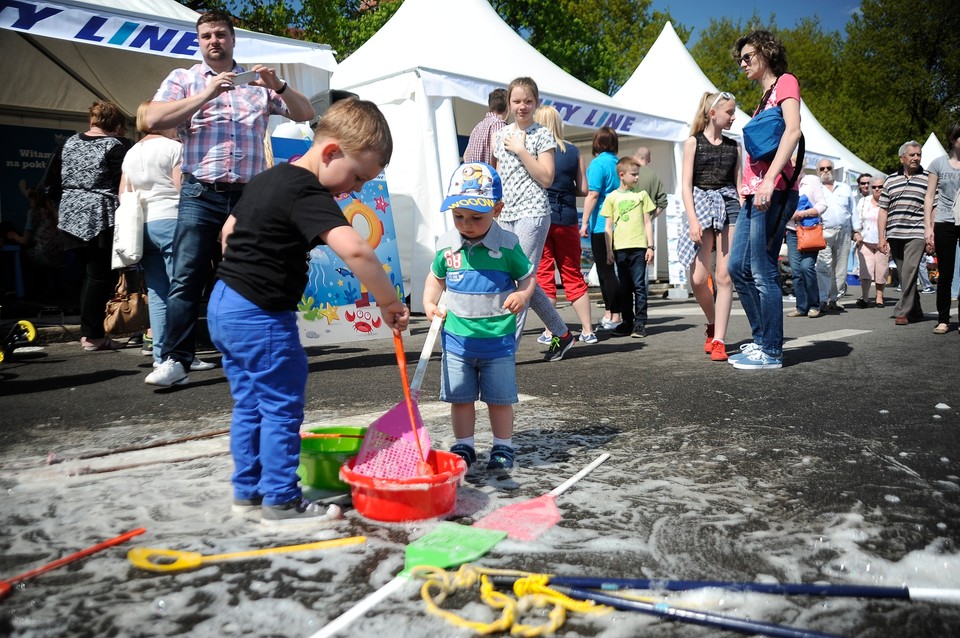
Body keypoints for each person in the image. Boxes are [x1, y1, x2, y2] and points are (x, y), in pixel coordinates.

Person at [208, 98, 409, 525]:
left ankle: (249, 492)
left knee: (250, 404)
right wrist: (390, 302)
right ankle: (281, 500)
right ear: (332, 152)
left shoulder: (268, 179)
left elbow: (228, 232)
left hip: (225, 303)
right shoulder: (306, 189)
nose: (354, 189)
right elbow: (356, 249)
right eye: (357, 176)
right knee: (282, 407)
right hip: (262, 314)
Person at [144, 10, 315, 387]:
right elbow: (151, 120)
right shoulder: (184, 79)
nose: (213, 41)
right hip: (199, 192)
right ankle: (175, 359)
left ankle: (250, 354)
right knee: (186, 277)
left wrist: (279, 86)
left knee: (247, 276)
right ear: (199, 42)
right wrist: (206, 94)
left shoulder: (257, 82)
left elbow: (307, 114)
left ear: (233, 39)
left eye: (220, 34)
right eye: (206, 36)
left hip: (248, 198)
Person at [423, 162, 534, 475]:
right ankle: (465, 445)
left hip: (497, 341)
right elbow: (436, 277)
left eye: (476, 217)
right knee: (461, 398)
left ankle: (503, 445)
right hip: (457, 340)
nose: (466, 224)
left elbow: (527, 278)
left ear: (497, 209)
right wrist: (429, 302)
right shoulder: (447, 244)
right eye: (458, 216)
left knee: (500, 400)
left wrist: (523, 295)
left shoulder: (508, 244)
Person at [727, 30, 801, 370]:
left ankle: (771, 350)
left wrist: (770, 180)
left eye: (747, 56)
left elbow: (792, 131)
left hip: (772, 190)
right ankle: (761, 339)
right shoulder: (762, 97)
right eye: (740, 58)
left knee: (762, 269)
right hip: (752, 193)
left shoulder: (786, 82)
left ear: (766, 53)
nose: (742, 63)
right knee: (736, 268)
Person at [121, 102, 215, 370]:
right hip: (173, 221)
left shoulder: (132, 152)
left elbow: (123, 193)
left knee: (158, 291)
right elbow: (181, 188)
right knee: (183, 289)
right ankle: (183, 354)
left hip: (143, 226)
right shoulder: (174, 148)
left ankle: (162, 355)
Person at [492, 76, 575, 362]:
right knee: (521, 279)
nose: (522, 106)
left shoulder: (542, 135)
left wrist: (521, 150)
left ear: (536, 103)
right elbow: (499, 174)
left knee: (520, 279)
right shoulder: (499, 134)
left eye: (528, 101)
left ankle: (506, 352)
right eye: (517, 101)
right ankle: (562, 334)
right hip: (506, 213)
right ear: (509, 103)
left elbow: (547, 178)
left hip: (534, 212)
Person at [48, 100, 133, 352]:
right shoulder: (115, 147)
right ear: (116, 125)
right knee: (99, 276)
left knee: (83, 274)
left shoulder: (67, 143)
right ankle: (92, 336)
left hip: (69, 214)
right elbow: (124, 186)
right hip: (99, 216)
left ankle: (90, 331)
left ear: (91, 121)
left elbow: (50, 183)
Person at [678, 90, 742, 361]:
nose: (733, 116)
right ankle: (713, 322)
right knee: (697, 278)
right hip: (701, 207)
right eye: (729, 112)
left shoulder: (735, 146)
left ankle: (719, 340)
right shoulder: (693, 143)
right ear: (713, 113)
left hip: (729, 206)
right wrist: (692, 219)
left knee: (724, 276)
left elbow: (739, 186)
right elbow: (686, 185)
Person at [532, 105, 596, 345]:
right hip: (567, 217)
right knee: (573, 274)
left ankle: (550, 332)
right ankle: (588, 330)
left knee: (544, 275)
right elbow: (583, 188)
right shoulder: (572, 150)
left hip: (540, 217)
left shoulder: (535, 149)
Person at [602, 157, 656, 338]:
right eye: (634, 174)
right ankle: (627, 322)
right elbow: (608, 227)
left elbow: (648, 222)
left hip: (639, 247)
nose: (637, 178)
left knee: (639, 286)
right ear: (622, 175)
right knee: (624, 287)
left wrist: (650, 246)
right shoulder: (612, 197)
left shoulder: (641, 195)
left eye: (637, 174)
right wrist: (609, 250)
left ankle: (640, 323)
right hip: (620, 249)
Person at [878, 141, 928, 326]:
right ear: (902, 158)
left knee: (909, 271)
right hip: (895, 233)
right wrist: (882, 237)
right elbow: (883, 210)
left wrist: (931, 233)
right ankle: (916, 310)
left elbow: (934, 207)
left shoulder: (928, 178)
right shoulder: (890, 180)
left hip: (917, 232)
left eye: (918, 154)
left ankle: (902, 311)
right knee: (904, 273)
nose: (916, 158)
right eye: (912, 155)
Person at [580, 126, 622, 331]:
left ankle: (614, 315)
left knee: (606, 272)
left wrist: (584, 221)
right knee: (613, 271)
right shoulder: (619, 163)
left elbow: (593, 195)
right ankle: (611, 314)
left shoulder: (598, 164)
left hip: (601, 225)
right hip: (621, 225)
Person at [924, 121, 960, 334]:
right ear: (953, 139)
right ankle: (943, 319)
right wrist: (928, 226)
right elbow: (929, 197)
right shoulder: (938, 164)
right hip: (944, 222)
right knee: (945, 273)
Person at [814, 159, 855, 312]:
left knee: (841, 267)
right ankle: (823, 299)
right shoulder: (816, 189)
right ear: (818, 171)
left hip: (844, 230)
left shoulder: (844, 188)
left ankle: (835, 299)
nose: (825, 171)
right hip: (823, 230)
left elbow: (853, 210)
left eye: (828, 168)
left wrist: (856, 230)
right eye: (822, 168)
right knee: (823, 266)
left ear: (833, 169)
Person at [785, 174, 827, 319]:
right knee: (796, 271)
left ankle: (814, 305)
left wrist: (803, 213)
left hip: (810, 231)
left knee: (806, 267)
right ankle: (801, 307)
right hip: (792, 232)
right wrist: (790, 215)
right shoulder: (784, 182)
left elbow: (822, 205)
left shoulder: (811, 181)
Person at [853, 176, 889, 308]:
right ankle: (865, 297)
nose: (877, 189)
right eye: (874, 187)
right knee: (865, 270)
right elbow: (856, 219)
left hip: (883, 241)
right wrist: (856, 233)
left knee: (881, 269)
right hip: (866, 241)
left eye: (880, 187)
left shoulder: (889, 201)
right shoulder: (863, 201)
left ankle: (879, 296)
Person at [463, 88, 508, 165]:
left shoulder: (478, 126)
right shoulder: (499, 124)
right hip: (487, 174)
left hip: (472, 173)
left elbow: (465, 155)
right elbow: (495, 149)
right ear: (508, 106)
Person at [631, 146, 669, 218]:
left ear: (633, 157)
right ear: (649, 159)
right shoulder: (655, 177)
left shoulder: (626, 173)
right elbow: (662, 203)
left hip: (625, 222)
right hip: (644, 224)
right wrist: (650, 218)